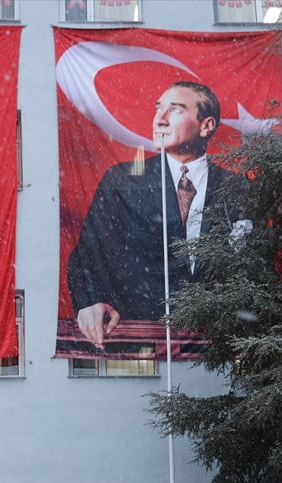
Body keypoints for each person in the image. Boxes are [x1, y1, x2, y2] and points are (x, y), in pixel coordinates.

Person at [67, 81, 247, 348]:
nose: (159, 120)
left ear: (206, 125)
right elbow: (88, 255)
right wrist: (90, 301)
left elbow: (253, 267)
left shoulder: (238, 188)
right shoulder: (123, 181)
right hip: (139, 341)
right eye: (158, 109)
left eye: (174, 110)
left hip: (217, 343)